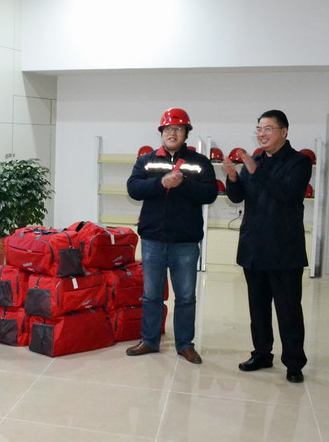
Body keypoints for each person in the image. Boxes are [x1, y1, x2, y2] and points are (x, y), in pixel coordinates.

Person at [224, 110, 311, 383]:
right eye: (259, 129)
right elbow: (237, 198)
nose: (262, 134)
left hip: (284, 250)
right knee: (258, 308)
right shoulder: (255, 160)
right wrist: (233, 178)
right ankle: (262, 354)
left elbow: (289, 193)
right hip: (254, 247)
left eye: (268, 129)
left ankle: (294, 362)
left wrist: (254, 171)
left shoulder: (299, 162)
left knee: (288, 310)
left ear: (284, 131)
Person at [125, 107, 217, 364]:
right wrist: (161, 183)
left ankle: (185, 345)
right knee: (151, 295)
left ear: (186, 132)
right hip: (153, 240)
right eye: (168, 129)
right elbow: (133, 188)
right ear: (161, 132)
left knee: (186, 296)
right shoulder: (147, 160)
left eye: (177, 129)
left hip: (185, 241)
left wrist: (183, 183)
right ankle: (149, 340)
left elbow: (209, 193)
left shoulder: (199, 162)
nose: (172, 133)